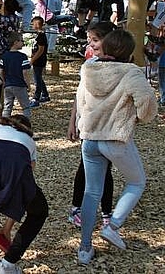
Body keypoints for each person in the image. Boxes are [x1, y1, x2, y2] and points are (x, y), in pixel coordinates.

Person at [75, 30, 157, 265]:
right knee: (137, 182)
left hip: (89, 138)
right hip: (115, 138)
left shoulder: (88, 68)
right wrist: (139, 118)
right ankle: (113, 225)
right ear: (128, 52)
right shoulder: (131, 71)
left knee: (91, 192)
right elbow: (147, 105)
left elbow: (81, 100)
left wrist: (81, 125)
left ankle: (84, 248)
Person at [0, 115, 48, 274]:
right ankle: (8, 264)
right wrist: (7, 226)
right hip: (17, 174)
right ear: (27, 129)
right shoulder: (29, 141)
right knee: (40, 211)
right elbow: (22, 187)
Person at [66, 21, 116, 229]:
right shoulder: (88, 65)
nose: (91, 46)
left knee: (107, 169)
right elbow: (80, 95)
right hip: (89, 126)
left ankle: (106, 211)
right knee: (86, 168)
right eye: (89, 41)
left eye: (95, 40)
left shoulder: (122, 67)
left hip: (111, 127)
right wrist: (72, 121)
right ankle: (77, 208)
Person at [0, 32, 32, 119]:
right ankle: (26, 125)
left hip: (8, 85)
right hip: (20, 85)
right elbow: (25, 72)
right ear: (15, 42)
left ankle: (4, 124)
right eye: (21, 41)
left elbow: (1, 71)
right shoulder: (22, 57)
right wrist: (28, 85)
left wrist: (4, 81)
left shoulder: (4, 56)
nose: (23, 43)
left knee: (7, 107)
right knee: (26, 107)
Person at [28, 17, 49, 109]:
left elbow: (41, 50)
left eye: (33, 24)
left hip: (39, 60)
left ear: (37, 24)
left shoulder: (41, 36)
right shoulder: (38, 35)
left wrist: (32, 60)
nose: (32, 25)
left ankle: (36, 98)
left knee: (37, 79)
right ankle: (45, 95)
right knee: (38, 77)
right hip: (37, 60)